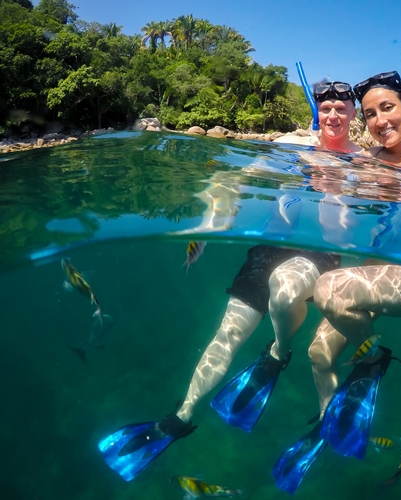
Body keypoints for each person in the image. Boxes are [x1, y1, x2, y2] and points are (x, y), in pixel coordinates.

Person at [97, 81, 362, 482]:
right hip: (271, 248)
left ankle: (278, 353)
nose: (333, 115)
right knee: (228, 333)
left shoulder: (364, 159)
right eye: (326, 107)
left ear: (354, 113)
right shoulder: (292, 145)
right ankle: (181, 415)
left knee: (285, 289)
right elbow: (235, 178)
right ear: (317, 110)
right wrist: (210, 224)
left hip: (318, 255)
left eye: (341, 108)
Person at [274, 72, 401, 493]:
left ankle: (374, 357)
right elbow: (333, 171)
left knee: (330, 288)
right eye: (369, 114)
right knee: (317, 353)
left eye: (388, 108)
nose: (380, 120)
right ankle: (329, 424)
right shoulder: (370, 161)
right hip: (375, 275)